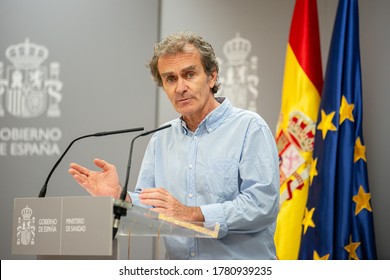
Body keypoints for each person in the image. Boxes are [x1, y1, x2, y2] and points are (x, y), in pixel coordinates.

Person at [68, 31, 279, 260]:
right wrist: (122, 199)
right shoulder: (161, 137)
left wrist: (193, 214)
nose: (180, 87)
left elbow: (262, 205)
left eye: (189, 74)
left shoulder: (249, 127)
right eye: (170, 79)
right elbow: (151, 206)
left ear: (212, 77)